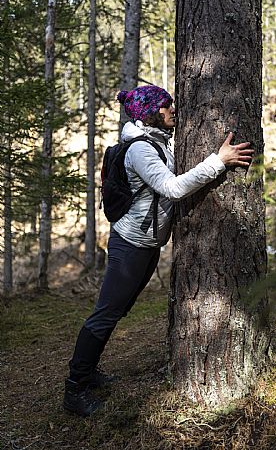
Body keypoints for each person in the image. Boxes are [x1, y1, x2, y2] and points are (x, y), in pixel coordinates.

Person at [63, 85, 254, 417]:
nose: (173, 109)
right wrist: (219, 162)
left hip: (147, 244)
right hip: (130, 246)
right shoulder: (141, 150)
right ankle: (74, 389)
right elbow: (173, 188)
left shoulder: (157, 142)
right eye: (166, 106)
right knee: (105, 313)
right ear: (150, 112)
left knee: (116, 312)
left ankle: (88, 373)